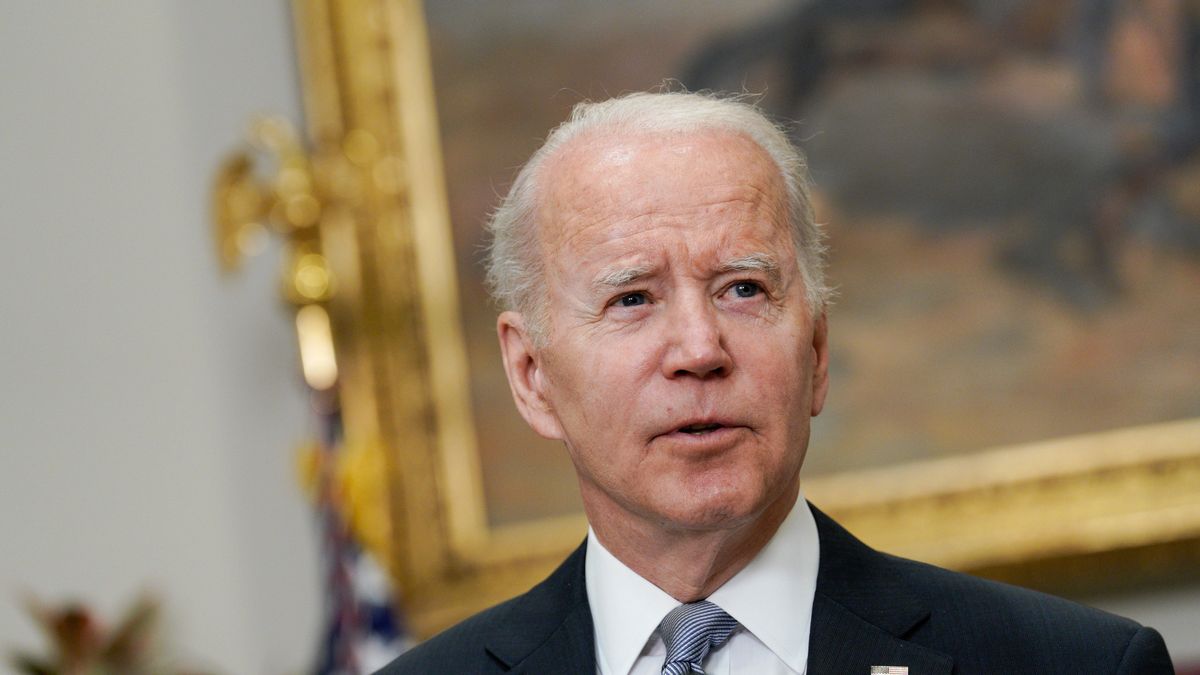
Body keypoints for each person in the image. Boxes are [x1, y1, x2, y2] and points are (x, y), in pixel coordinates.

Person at [377, 91, 1173, 674]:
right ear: (531, 374)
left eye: (743, 289)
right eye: (632, 298)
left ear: (818, 348)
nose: (699, 348)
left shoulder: (1078, 665)